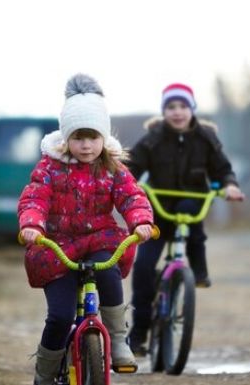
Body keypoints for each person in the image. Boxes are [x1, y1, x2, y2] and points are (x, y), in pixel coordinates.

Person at [18, 73, 155, 385]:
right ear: (66, 138)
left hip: (99, 241)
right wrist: (32, 225)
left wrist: (141, 221)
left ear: (103, 139)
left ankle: (119, 341)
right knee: (60, 317)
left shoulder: (112, 169)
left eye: (92, 138)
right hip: (57, 246)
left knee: (109, 276)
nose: (86, 145)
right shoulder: (50, 169)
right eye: (78, 138)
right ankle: (44, 373)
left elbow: (132, 196)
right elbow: (34, 198)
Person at [125, 82, 245, 355]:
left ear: (192, 109)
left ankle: (197, 269)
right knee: (143, 266)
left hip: (191, 203)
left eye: (182, 106)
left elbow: (222, 169)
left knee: (192, 211)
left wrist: (229, 185)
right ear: (163, 111)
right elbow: (131, 168)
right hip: (159, 207)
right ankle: (139, 332)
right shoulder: (153, 138)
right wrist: (125, 185)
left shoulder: (205, 138)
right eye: (171, 107)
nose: (177, 112)